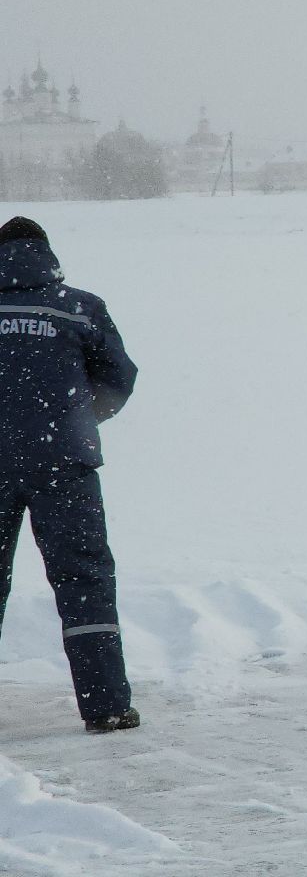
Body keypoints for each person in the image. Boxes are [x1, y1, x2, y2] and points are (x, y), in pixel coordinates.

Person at [0, 216, 140, 733]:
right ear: (47, 255)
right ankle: (106, 707)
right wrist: (76, 418)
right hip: (64, 462)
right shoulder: (79, 307)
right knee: (84, 580)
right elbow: (119, 378)